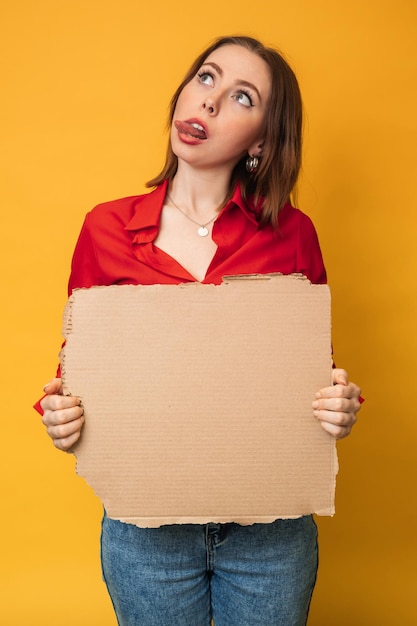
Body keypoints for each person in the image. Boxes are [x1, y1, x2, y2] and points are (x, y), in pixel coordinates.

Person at [36, 35, 362, 626]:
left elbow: (314, 374)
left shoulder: (293, 234)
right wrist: (61, 414)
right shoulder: (104, 228)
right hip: (146, 534)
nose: (209, 102)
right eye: (206, 78)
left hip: (270, 534)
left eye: (241, 96)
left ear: (262, 140)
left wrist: (337, 404)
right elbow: (76, 372)